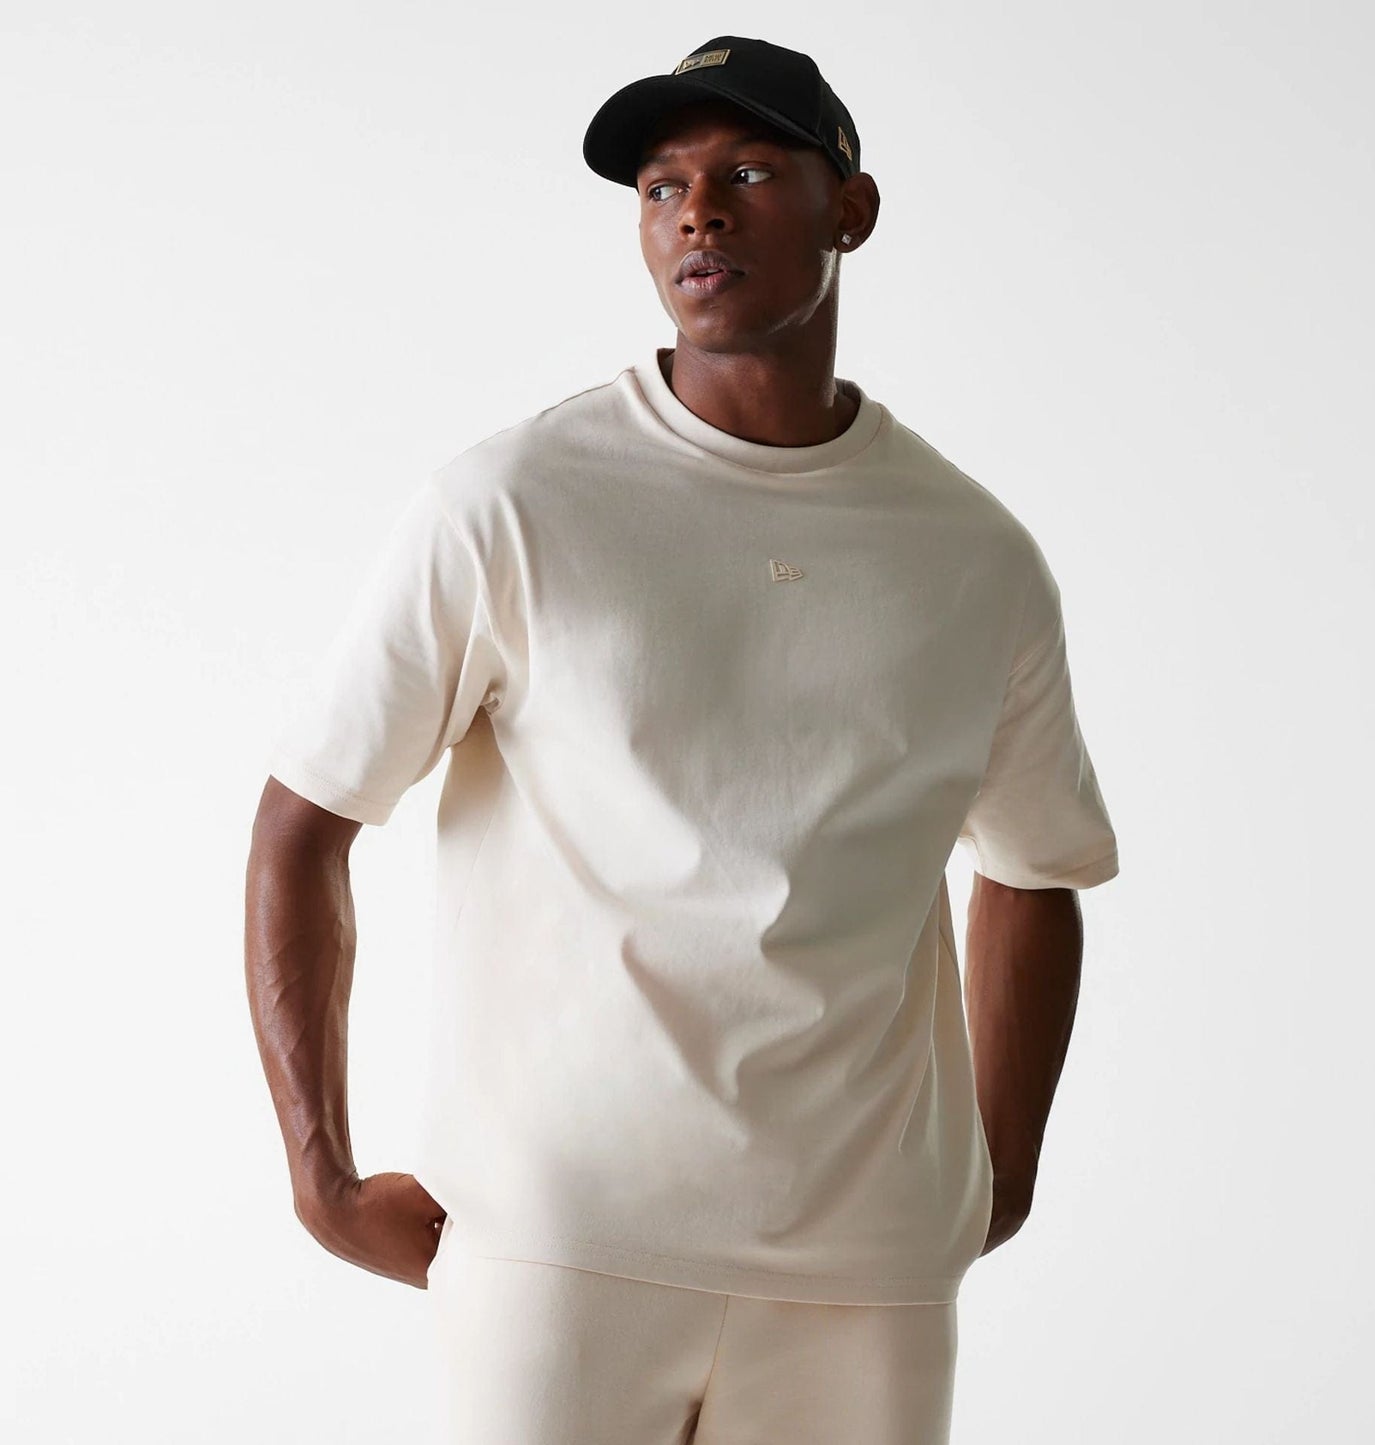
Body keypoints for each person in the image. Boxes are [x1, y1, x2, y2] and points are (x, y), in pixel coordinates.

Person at [244, 34, 1119, 1445]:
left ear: (852, 210)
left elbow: (1034, 869)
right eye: (661, 186)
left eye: (749, 173)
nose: (696, 213)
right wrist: (321, 1177)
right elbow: (305, 821)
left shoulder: (973, 554)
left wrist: (992, 1180)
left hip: (866, 1270)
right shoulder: (512, 503)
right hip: (560, 1246)